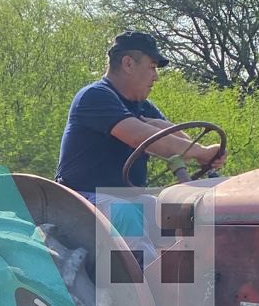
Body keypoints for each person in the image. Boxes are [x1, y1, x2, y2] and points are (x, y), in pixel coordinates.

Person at [55, 31, 227, 198]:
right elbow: (141, 138)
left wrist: (202, 153)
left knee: (173, 212)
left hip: (125, 199)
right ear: (128, 63)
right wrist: (201, 152)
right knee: (133, 211)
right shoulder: (94, 96)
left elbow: (174, 143)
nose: (156, 77)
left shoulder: (143, 107)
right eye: (152, 67)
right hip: (83, 199)